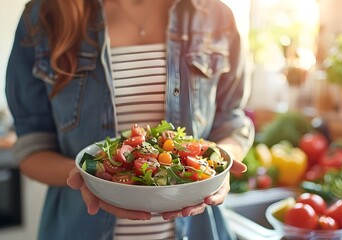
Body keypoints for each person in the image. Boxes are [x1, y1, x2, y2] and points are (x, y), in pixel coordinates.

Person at [5, 0, 254, 239]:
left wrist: (217, 169)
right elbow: (31, 146)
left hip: (200, 230)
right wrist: (89, 177)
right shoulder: (43, 16)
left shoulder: (216, 15)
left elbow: (231, 122)